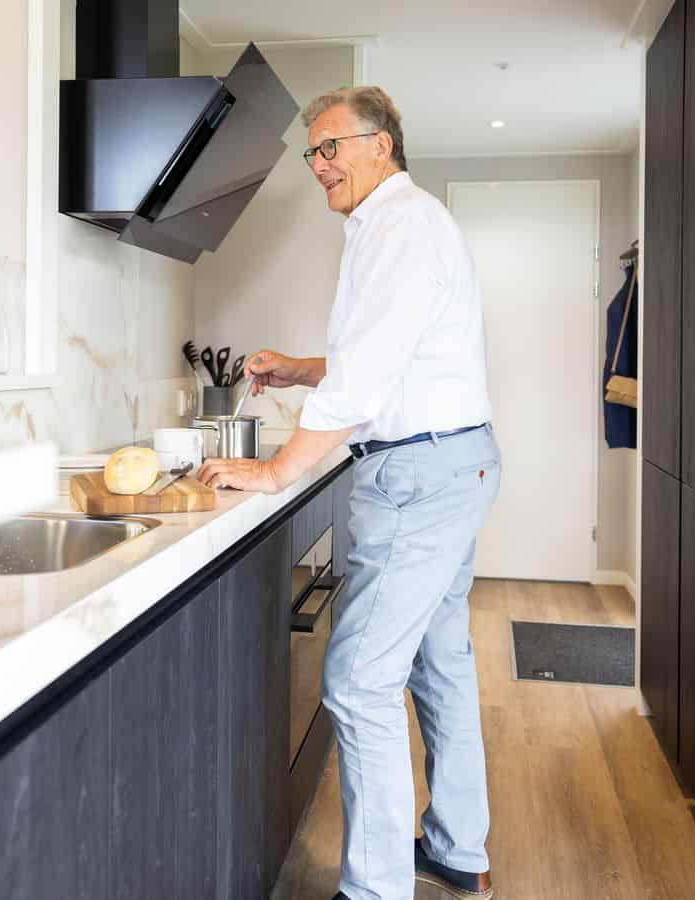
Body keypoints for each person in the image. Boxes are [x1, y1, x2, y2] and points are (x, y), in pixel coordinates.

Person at [195, 86, 501, 900]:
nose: (319, 165)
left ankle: (375, 891)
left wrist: (276, 470)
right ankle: (458, 848)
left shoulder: (400, 227)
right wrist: (298, 370)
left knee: (361, 682)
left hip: (418, 478)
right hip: (451, 463)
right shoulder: (399, 225)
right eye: (313, 152)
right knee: (439, 660)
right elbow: (389, 361)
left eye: (331, 146)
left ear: (380, 145)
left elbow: (364, 382)